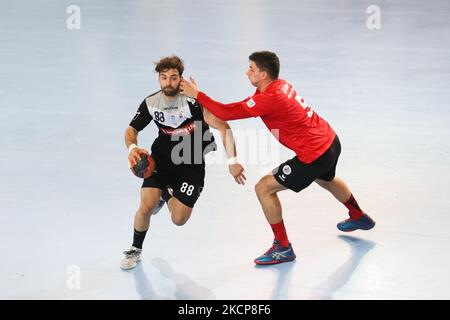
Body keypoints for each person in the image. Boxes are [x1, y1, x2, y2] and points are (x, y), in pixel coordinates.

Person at [180, 51, 375, 265]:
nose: (247, 72)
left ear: (263, 74)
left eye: (251, 68)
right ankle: (359, 216)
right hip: (330, 142)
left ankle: (282, 247)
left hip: (314, 154)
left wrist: (198, 94)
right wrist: (203, 103)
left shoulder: (270, 98)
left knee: (264, 188)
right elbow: (232, 109)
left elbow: (227, 113)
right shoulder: (278, 86)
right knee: (326, 179)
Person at [121, 55, 246, 270]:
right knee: (146, 205)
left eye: (173, 77)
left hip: (191, 164)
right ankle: (135, 249)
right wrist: (132, 148)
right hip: (160, 161)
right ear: (158, 79)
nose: (168, 82)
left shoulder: (193, 102)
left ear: (181, 79)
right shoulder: (151, 102)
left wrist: (233, 161)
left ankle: (166, 194)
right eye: (163, 78)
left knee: (178, 219)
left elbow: (224, 127)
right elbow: (131, 130)